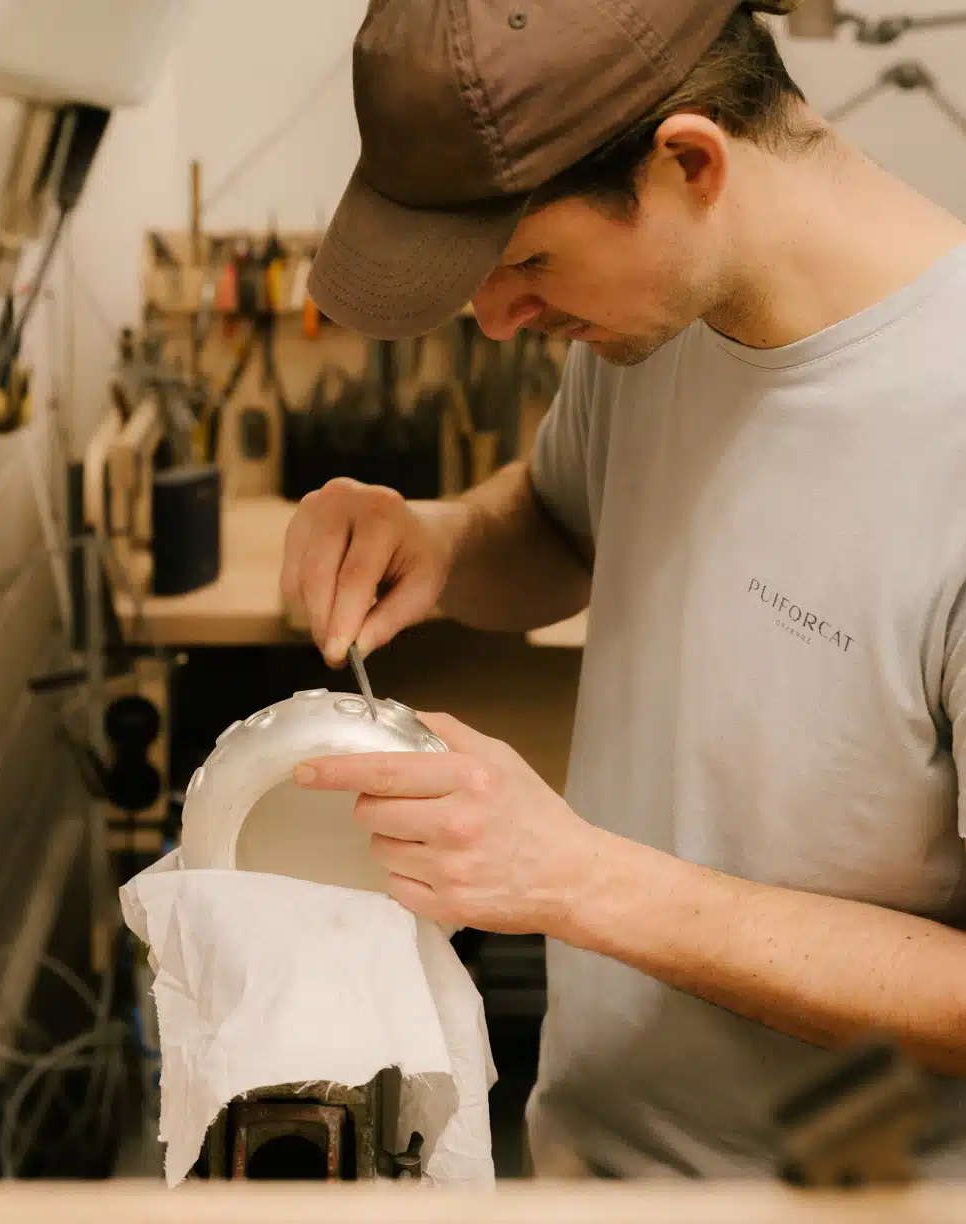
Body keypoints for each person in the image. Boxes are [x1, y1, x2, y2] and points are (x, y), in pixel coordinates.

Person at [280, 0, 966, 1178]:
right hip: (591, 1159)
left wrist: (576, 878)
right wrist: (438, 541)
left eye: (527, 264)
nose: (499, 320)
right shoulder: (662, 318)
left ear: (689, 162)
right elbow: (560, 524)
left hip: (843, 1194)